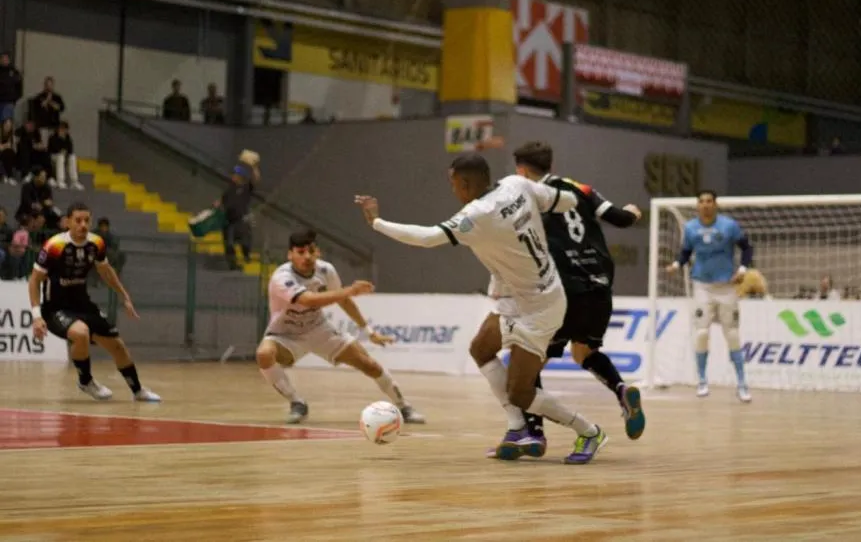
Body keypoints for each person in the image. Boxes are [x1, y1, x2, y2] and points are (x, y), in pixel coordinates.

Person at [355, 153, 607, 464]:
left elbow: (427, 238)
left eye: (452, 184)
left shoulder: (476, 215)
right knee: (481, 349)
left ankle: (589, 431)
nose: (452, 190)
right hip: (520, 296)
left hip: (539, 307)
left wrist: (377, 222)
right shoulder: (517, 184)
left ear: (464, 183)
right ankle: (518, 429)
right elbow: (566, 201)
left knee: (520, 393)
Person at [508, 141, 645, 444]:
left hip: (564, 289)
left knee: (528, 362)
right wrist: (633, 213)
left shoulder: (529, 197)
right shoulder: (579, 188)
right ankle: (622, 390)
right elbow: (620, 218)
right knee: (584, 351)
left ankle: (533, 433)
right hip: (600, 285)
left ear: (522, 171)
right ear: (551, 165)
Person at [256, 229, 426, 425]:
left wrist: (368, 331)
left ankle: (404, 406)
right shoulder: (282, 277)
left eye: (311, 251)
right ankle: (297, 403)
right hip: (286, 334)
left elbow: (344, 301)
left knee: (369, 364)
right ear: (290, 255)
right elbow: (309, 300)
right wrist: (350, 290)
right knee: (264, 354)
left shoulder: (326, 270)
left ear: (318, 252)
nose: (307, 256)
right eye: (301, 252)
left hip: (318, 329)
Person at [28, 201, 160, 402]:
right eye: (78, 220)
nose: (83, 225)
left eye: (86, 220)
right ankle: (86, 381)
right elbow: (34, 280)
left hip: (83, 305)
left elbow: (105, 271)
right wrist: (37, 317)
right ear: (67, 222)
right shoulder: (54, 246)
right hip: (56, 308)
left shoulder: (96, 243)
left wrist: (124, 296)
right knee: (80, 333)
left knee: (117, 345)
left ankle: (138, 390)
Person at [666, 190, 753, 402]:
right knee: (702, 333)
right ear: (697, 205)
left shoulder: (729, 226)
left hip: (726, 287)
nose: (705, 205)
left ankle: (742, 383)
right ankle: (702, 380)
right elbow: (686, 252)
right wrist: (677, 264)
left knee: (732, 334)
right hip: (702, 286)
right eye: (702, 201)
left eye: (709, 201)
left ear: (715, 204)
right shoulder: (691, 228)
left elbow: (747, 248)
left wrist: (742, 269)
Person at [216, 162, 259, 270]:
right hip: (229, 221)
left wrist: (254, 167)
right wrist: (218, 204)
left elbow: (255, 180)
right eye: (233, 174)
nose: (234, 177)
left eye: (236, 175)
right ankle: (232, 265)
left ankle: (246, 258)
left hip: (241, 220)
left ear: (241, 177)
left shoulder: (245, 188)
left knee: (245, 241)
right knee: (229, 244)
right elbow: (222, 201)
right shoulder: (229, 190)